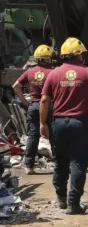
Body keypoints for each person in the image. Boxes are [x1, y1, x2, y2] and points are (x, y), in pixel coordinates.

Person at [40, 37, 88, 214]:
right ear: (79, 55)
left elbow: (45, 99)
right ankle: (74, 203)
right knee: (78, 162)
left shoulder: (53, 74)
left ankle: (61, 198)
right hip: (80, 122)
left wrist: (42, 123)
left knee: (60, 161)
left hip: (59, 123)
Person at [12, 44, 55, 175]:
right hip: (50, 106)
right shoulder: (53, 72)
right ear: (48, 59)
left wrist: (26, 102)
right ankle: (59, 163)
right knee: (54, 134)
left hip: (34, 105)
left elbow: (16, 86)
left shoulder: (30, 72)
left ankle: (29, 166)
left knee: (33, 135)